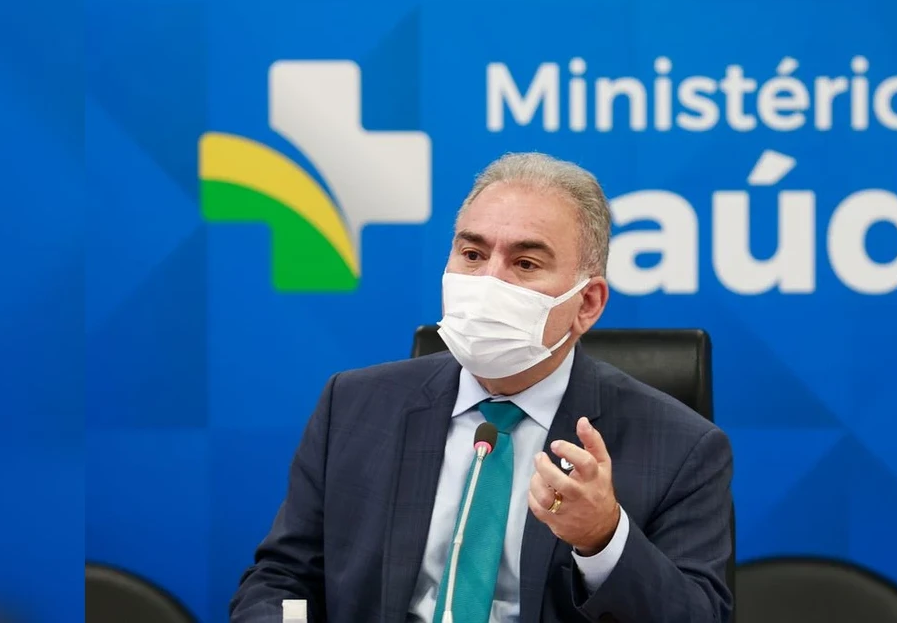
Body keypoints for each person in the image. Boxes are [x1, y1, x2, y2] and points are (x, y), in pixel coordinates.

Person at [229, 152, 735, 623]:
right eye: (472, 254)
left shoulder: (682, 447)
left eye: (525, 263)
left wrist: (602, 538)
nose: (488, 281)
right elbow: (283, 578)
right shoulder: (354, 406)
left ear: (587, 304)